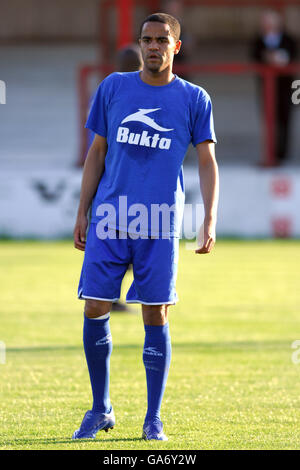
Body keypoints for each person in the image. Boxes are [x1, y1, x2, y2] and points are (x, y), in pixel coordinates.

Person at [72, 12, 219, 441]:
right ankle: (100, 408)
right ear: (139, 44)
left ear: (177, 47)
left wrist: (208, 217)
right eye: (146, 39)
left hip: (159, 223)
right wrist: (83, 211)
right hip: (109, 218)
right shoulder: (113, 88)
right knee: (95, 306)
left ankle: (153, 418)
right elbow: (96, 153)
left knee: (155, 314)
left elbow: (208, 162)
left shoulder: (194, 99)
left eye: (161, 40)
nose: (152, 46)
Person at [250, 9, 297, 165]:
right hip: (266, 89)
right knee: (269, 120)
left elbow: (292, 56)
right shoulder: (258, 40)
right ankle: (270, 154)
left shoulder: (289, 39)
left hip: (286, 88)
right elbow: (254, 56)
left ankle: (282, 154)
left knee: (285, 119)